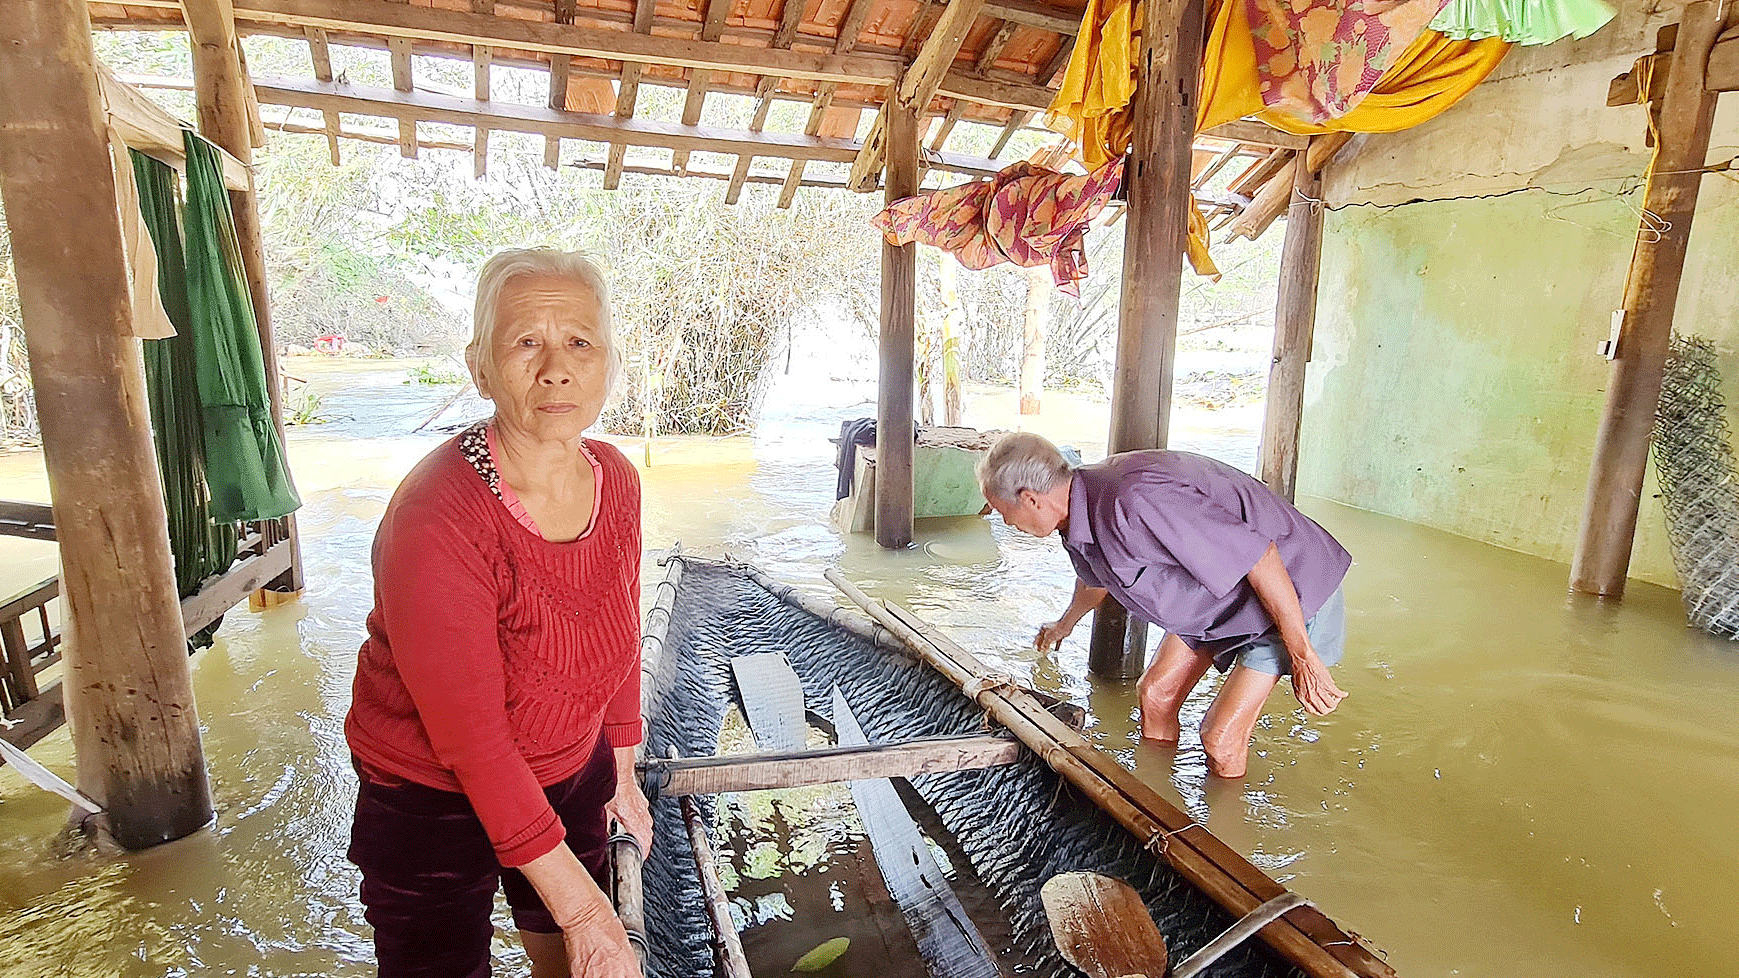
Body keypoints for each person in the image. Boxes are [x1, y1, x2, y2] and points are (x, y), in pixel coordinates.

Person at [344, 249, 648, 978]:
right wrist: (587, 912)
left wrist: (622, 769)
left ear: (607, 360)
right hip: (428, 792)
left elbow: (619, 627)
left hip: (569, 762)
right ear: (480, 367)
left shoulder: (616, 478)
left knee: (569, 955)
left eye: (579, 341)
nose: (556, 368)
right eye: (524, 343)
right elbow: (474, 745)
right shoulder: (439, 514)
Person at [977, 432, 1351, 779]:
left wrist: (1303, 657)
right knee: (1155, 695)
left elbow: (1261, 558)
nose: (1005, 521)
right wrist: (1065, 623)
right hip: (1218, 602)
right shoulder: (1075, 507)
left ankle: (1218, 834)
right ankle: (1158, 798)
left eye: (1000, 510)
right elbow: (1096, 577)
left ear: (1029, 498)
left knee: (1220, 737)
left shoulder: (1134, 500)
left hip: (1287, 592)